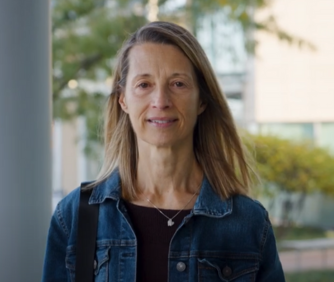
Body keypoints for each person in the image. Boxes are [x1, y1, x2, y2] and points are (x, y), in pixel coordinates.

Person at [42, 21, 285, 282]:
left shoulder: (247, 222)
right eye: (144, 85)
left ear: (201, 99)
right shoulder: (77, 217)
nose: (161, 101)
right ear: (123, 99)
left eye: (178, 84)